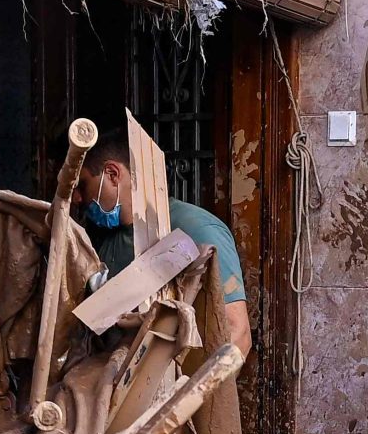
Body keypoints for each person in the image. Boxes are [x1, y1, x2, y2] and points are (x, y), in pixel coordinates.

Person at [74, 132, 254, 360]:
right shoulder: (108, 245)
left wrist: (193, 393)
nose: (77, 198)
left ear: (112, 173)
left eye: (83, 184)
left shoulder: (197, 229)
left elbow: (238, 334)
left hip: (178, 388)